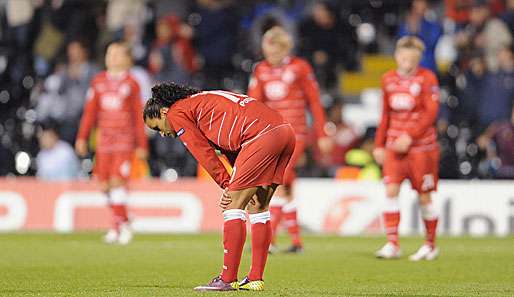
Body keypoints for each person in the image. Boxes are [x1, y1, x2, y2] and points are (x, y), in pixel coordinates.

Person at [143, 82, 295, 291]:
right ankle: (255, 278)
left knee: (232, 207)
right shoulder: (201, 100)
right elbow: (230, 147)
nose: (162, 133)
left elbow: (202, 152)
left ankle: (227, 278)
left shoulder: (177, 112)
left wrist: (227, 185)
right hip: (284, 132)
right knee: (258, 207)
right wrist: (236, 180)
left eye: (158, 127)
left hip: (260, 136)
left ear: (163, 111)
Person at [247, 26, 331, 253]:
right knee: (287, 182)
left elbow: (314, 101)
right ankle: (296, 241)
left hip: (296, 133)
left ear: (285, 48)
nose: (270, 56)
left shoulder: (300, 67)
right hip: (271, 134)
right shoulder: (260, 70)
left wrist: (322, 133)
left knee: (276, 181)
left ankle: (268, 239)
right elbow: (254, 104)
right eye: (267, 51)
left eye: (275, 51)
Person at [373, 36, 440, 261]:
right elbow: (385, 114)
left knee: (424, 196)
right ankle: (393, 243)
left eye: (411, 59)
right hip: (394, 147)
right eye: (403, 57)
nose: (406, 62)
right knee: (390, 190)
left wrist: (410, 136)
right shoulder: (388, 79)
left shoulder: (427, 78)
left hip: (422, 148)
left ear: (418, 59)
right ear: (396, 56)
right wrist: (379, 144)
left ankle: (430, 245)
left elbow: (431, 113)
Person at [75, 41, 148, 245]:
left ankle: (122, 226)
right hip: (103, 141)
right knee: (104, 185)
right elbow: (90, 112)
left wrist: (142, 145)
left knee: (117, 182)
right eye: (110, 53)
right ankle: (121, 220)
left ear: (127, 59)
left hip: (124, 141)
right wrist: (82, 137)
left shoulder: (132, 84)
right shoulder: (98, 81)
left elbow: (137, 115)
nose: (112, 57)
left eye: (117, 54)